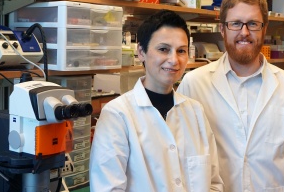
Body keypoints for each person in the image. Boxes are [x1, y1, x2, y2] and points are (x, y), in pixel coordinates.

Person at [177, 0, 284, 192]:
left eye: (253, 24)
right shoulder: (194, 85)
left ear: (264, 29)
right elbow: (179, 158)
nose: (244, 32)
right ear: (223, 29)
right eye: (235, 23)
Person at [89, 10, 223, 192]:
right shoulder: (117, 115)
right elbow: (108, 188)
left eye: (181, 51)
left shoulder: (195, 111)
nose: (174, 60)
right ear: (141, 52)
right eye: (163, 49)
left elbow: (213, 183)